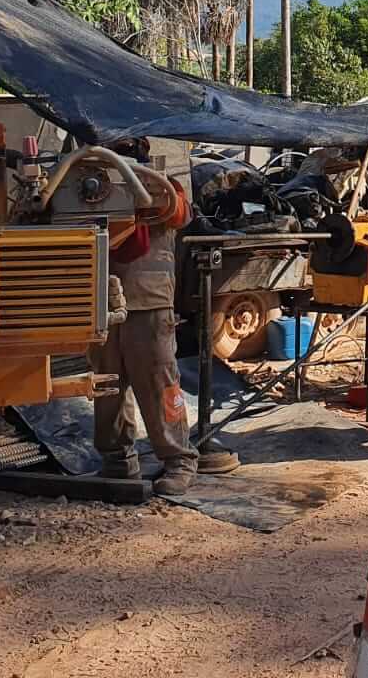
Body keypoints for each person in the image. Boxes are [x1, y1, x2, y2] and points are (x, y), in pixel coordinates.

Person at [90, 145, 237, 496]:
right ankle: (117, 461)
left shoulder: (162, 186)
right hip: (99, 300)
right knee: (106, 386)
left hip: (148, 302)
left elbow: (179, 213)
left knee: (159, 383)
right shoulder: (90, 187)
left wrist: (139, 190)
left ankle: (179, 460)